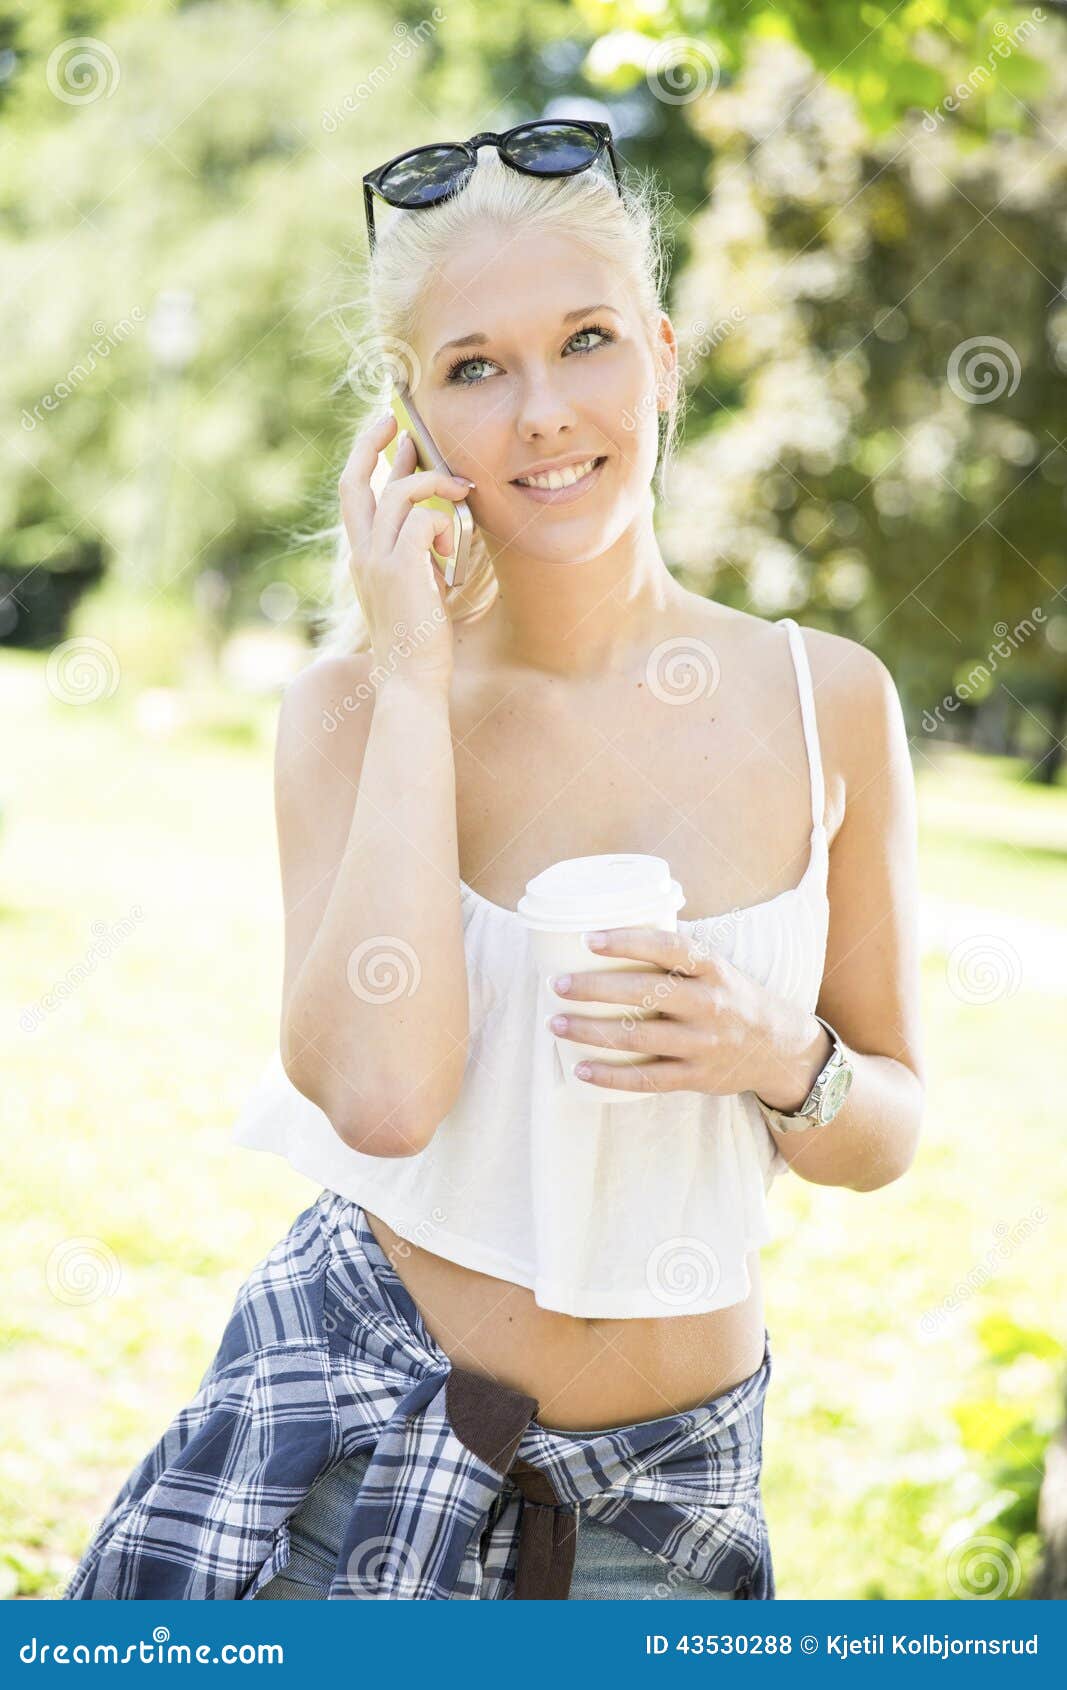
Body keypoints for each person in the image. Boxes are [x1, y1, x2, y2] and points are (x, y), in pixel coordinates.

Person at [64, 122, 924, 1603]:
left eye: (586, 341)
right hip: (339, 1454)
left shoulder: (825, 698)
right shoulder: (346, 713)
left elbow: (886, 1126)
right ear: (406, 419)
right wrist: (411, 677)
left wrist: (781, 1052)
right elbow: (385, 1098)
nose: (542, 414)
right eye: (474, 367)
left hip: (660, 1517)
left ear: (661, 353)